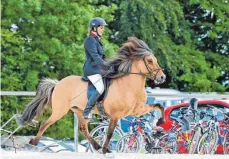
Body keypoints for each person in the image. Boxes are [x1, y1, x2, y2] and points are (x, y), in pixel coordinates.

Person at [82, 17, 108, 119]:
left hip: (98, 68)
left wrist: (113, 64)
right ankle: (87, 111)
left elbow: (103, 56)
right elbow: (96, 57)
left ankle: (101, 106)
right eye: (101, 28)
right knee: (101, 88)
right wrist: (105, 66)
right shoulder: (90, 40)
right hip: (91, 69)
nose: (103, 30)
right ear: (94, 28)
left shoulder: (97, 40)